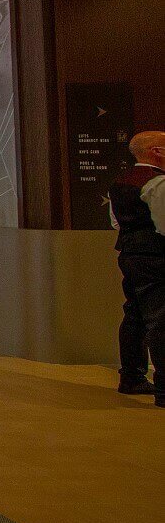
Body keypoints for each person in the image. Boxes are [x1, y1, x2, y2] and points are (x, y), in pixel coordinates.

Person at [108, 130, 165, 404]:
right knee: (161, 319)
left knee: (136, 315)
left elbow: (116, 223)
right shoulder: (157, 182)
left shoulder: (121, 181)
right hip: (157, 256)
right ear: (157, 151)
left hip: (131, 253)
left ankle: (131, 376)